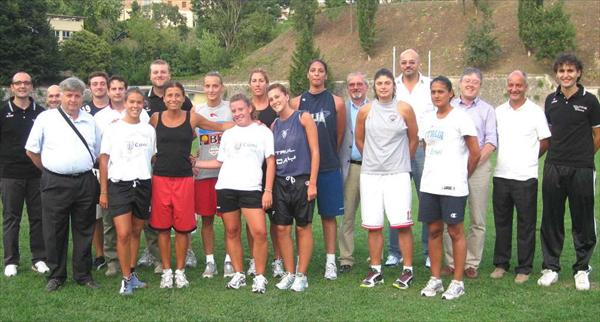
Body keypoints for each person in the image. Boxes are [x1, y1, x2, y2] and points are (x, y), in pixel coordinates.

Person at [149, 81, 230, 289]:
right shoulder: (155, 118)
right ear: (164, 98)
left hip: (185, 179)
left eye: (177, 95)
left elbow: (219, 127)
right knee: (163, 228)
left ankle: (180, 271)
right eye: (169, 95)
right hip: (160, 179)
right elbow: (143, 141)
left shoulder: (192, 117)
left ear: (184, 97)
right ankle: (167, 272)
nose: (173, 99)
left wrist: (247, 122)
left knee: (183, 228)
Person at [25, 77, 102, 292]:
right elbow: (31, 150)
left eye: (77, 96)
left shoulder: (90, 121)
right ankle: (57, 275)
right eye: (69, 95)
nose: (73, 100)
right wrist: (49, 169)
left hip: (85, 181)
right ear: (61, 96)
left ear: (82, 97)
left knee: (84, 229)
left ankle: (83, 274)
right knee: (54, 230)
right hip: (55, 181)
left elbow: (98, 151)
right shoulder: (45, 119)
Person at [195, 93, 275, 294]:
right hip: (226, 187)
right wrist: (194, 163)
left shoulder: (262, 131)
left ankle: (259, 276)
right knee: (232, 232)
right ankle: (239, 273)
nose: (238, 113)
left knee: (259, 232)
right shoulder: (229, 134)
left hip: (251, 188)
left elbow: (271, 162)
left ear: (249, 108)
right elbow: (219, 162)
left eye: (241, 109)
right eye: (234, 111)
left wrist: (268, 190)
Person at [538, 53, 600, 291]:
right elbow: (549, 133)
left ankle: (582, 269)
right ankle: (551, 267)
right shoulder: (551, 101)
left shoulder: (591, 101)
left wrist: (583, 156)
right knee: (551, 218)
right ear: (557, 74)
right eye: (561, 71)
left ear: (578, 73)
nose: (566, 75)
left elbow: (597, 136)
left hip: (582, 168)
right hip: (554, 166)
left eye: (570, 71)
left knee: (582, 219)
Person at [354, 68, 417, 289]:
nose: (383, 87)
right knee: (373, 225)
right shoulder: (365, 111)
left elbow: (413, 139)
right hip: (370, 175)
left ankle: (408, 269)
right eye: (379, 83)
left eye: (387, 83)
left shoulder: (404, 109)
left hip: (397, 175)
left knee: (402, 224)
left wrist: (400, 162)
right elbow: (359, 140)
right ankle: (376, 269)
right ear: (374, 86)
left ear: (393, 85)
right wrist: (374, 159)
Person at [418, 76, 480, 300]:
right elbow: (426, 147)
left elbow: (475, 152)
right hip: (430, 185)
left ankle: (457, 281)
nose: (436, 95)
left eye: (441, 92)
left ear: (451, 94)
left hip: (453, 185)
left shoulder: (461, 118)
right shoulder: (427, 119)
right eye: (433, 92)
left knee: (455, 232)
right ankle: (435, 279)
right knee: (434, 231)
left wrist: (463, 175)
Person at [491, 70, 550, 284]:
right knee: (502, 223)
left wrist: (530, 159)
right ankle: (501, 263)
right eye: (511, 85)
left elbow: (545, 140)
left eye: (518, 85)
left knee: (526, 224)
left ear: (526, 87)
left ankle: (524, 267)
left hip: (525, 177)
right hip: (501, 175)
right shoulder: (498, 111)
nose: (514, 89)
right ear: (507, 87)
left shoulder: (535, 111)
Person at [291, 59, 346, 280]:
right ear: (307, 75)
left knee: (328, 216)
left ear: (326, 75)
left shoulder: (337, 102)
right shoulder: (296, 103)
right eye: (312, 70)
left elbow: (339, 135)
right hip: (303, 170)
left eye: (320, 71)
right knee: (302, 218)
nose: (316, 74)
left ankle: (331, 261)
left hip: (328, 167)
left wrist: (328, 154)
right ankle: (300, 259)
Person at [138, 59, 195, 272]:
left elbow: (193, 130)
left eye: (163, 72)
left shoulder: (184, 102)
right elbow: (142, 134)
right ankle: (153, 253)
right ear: (150, 75)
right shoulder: (145, 102)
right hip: (156, 170)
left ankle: (185, 252)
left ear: (168, 73)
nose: (159, 75)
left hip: (180, 170)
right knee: (156, 216)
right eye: (156, 72)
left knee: (182, 215)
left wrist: (191, 154)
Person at [99, 88, 155, 296]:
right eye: (131, 102)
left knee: (135, 232)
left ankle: (132, 274)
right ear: (125, 102)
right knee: (122, 233)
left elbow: (152, 157)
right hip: (119, 185)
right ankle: (125, 280)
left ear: (143, 105)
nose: (135, 106)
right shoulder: (113, 129)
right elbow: (104, 159)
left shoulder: (149, 130)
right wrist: (104, 191)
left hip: (142, 185)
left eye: (139, 102)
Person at [442, 67, 497, 279]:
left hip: (479, 169)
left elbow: (491, 142)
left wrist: (472, 164)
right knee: (450, 218)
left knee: (477, 217)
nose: (471, 84)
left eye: (475, 82)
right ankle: (451, 261)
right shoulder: (449, 107)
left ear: (480, 86)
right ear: (460, 84)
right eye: (467, 81)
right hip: (452, 168)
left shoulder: (487, 110)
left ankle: (471, 262)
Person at [268, 83, 319, 292]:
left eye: (278, 96)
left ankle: (301, 275)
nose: (275, 101)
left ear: (287, 96)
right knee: (281, 228)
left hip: (302, 180)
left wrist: (313, 182)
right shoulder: (273, 126)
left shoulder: (303, 117)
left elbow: (315, 152)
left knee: (302, 227)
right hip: (280, 182)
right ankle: (289, 272)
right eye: (271, 99)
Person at [392, 49, 436, 268]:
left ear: (419, 64)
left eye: (411, 62)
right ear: (400, 64)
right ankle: (394, 252)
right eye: (404, 62)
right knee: (395, 200)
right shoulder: (392, 86)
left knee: (426, 200)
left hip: (422, 148)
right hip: (397, 150)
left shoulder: (430, 86)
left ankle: (429, 251)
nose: (408, 65)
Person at [1, 71, 48, 277]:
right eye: (18, 83)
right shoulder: (3, 111)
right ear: (12, 87)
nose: (22, 86)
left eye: (26, 83)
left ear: (31, 87)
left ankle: (39, 258)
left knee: (38, 217)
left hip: (36, 174)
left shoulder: (41, 112)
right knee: (12, 217)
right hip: (10, 174)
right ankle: (11, 260)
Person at [193, 71, 234, 278]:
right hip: (204, 174)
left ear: (222, 87)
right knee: (207, 219)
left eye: (215, 86)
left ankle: (229, 259)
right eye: (207, 86)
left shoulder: (230, 108)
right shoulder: (196, 110)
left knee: (229, 219)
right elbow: (184, 136)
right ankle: (210, 261)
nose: (211, 90)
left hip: (227, 174)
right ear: (203, 87)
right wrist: (192, 157)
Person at [247, 68, 284, 278]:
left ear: (267, 83)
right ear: (250, 84)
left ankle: (278, 259)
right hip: (251, 171)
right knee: (252, 220)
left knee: (276, 220)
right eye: (254, 80)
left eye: (262, 80)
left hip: (273, 168)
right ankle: (254, 259)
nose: (258, 84)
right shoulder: (247, 109)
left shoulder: (274, 107)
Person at [338, 72, 369, 273]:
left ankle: (376, 255)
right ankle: (346, 258)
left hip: (372, 167)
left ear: (366, 87)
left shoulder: (375, 107)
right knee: (348, 215)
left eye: (359, 84)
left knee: (374, 214)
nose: (355, 88)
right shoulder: (341, 109)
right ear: (347, 88)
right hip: (350, 167)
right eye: (351, 85)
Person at [82, 71, 112, 271]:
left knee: (112, 214)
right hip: (92, 168)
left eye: (102, 83)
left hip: (114, 168)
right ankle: (100, 254)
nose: (99, 87)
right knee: (95, 215)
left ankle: (114, 252)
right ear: (89, 87)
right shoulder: (84, 111)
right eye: (95, 84)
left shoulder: (116, 109)